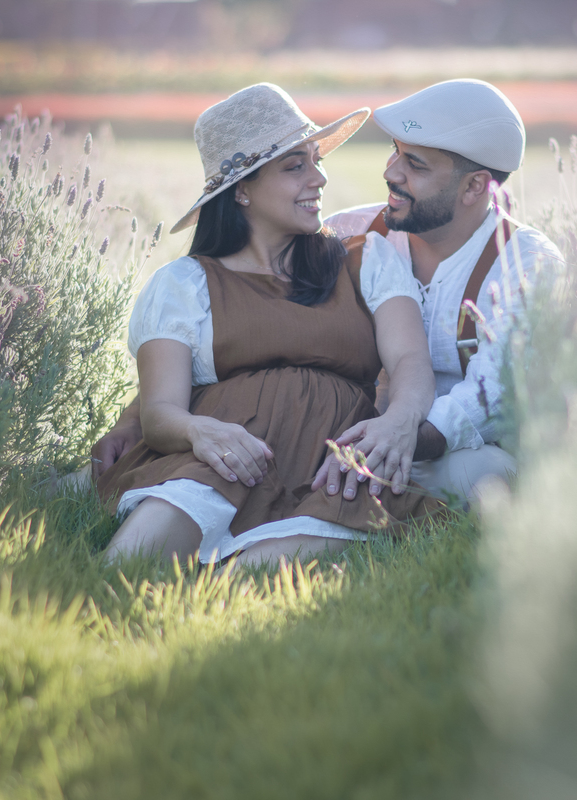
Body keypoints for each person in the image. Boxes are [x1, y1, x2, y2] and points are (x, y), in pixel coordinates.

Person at [93, 79, 564, 512]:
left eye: (414, 165)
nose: (391, 173)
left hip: (445, 446)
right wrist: (136, 419)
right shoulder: (351, 233)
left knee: (487, 477)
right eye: (395, 152)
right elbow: (206, 320)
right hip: (350, 441)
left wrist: (395, 435)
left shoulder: (526, 264)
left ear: (475, 186)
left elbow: (491, 397)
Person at [96, 83, 441, 567]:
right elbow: (159, 413)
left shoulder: (365, 260)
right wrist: (199, 432)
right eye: (295, 166)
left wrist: (399, 422)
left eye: (315, 160)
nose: (319, 178)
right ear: (241, 190)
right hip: (223, 461)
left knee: (246, 581)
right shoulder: (183, 285)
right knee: (126, 564)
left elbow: (409, 359)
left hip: (332, 471)